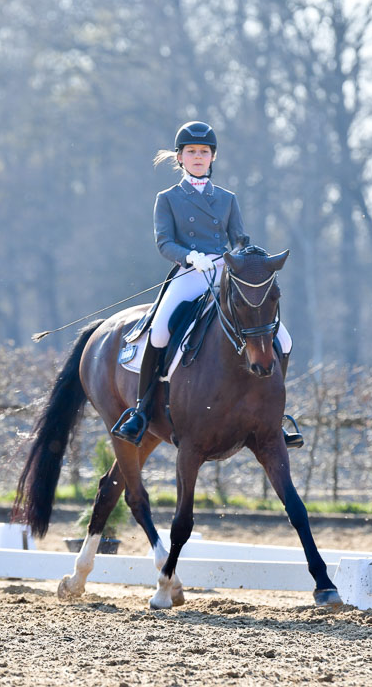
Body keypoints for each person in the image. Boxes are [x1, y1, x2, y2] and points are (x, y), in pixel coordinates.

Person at [112, 120, 303, 448]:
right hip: (189, 276)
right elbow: (164, 243)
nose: (198, 157)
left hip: (225, 277)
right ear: (180, 158)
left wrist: (245, 258)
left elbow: (240, 239)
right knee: (158, 332)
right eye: (191, 152)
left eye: (204, 152)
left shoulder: (227, 199)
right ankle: (142, 411)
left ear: (212, 157)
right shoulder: (168, 198)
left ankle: (277, 415)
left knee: (282, 339)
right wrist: (190, 258)